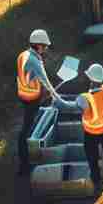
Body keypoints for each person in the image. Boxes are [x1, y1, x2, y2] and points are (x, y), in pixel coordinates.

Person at [15, 28, 78, 175]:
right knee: (28, 129)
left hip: (23, 95)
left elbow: (26, 76)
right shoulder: (35, 61)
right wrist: (59, 100)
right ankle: (25, 164)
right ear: (38, 45)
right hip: (31, 98)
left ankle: (26, 156)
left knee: (28, 126)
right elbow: (47, 83)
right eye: (44, 46)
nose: (45, 49)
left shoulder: (23, 55)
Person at [77, 63, 103, 186]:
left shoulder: (85, 98)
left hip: (92, 132)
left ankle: (96, 178)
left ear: (91, 79)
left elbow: (72, 107)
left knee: (92, 156)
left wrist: (57, 99)